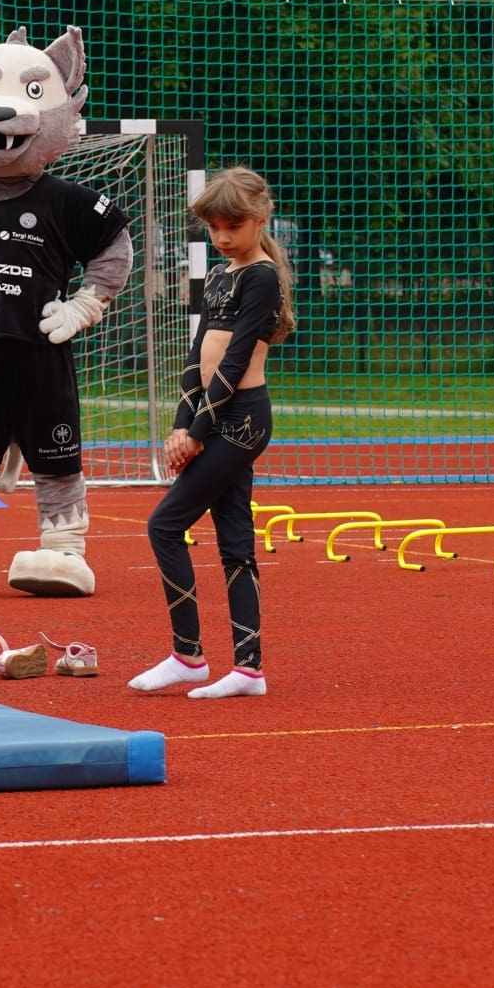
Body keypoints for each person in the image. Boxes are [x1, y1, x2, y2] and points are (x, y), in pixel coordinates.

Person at [130, 168, 294, 699]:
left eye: (232, 227)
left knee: (164, 525)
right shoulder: (222, 274)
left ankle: (188, 655)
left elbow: (235, 360)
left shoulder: (262, 277)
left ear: (260, 219)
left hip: (241, 420)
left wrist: (198, 432)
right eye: (214, 227)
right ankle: (249, 669)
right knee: (235, 543)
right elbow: (196, 356)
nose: (222, 237)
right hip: (212, 417)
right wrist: (182, 424)